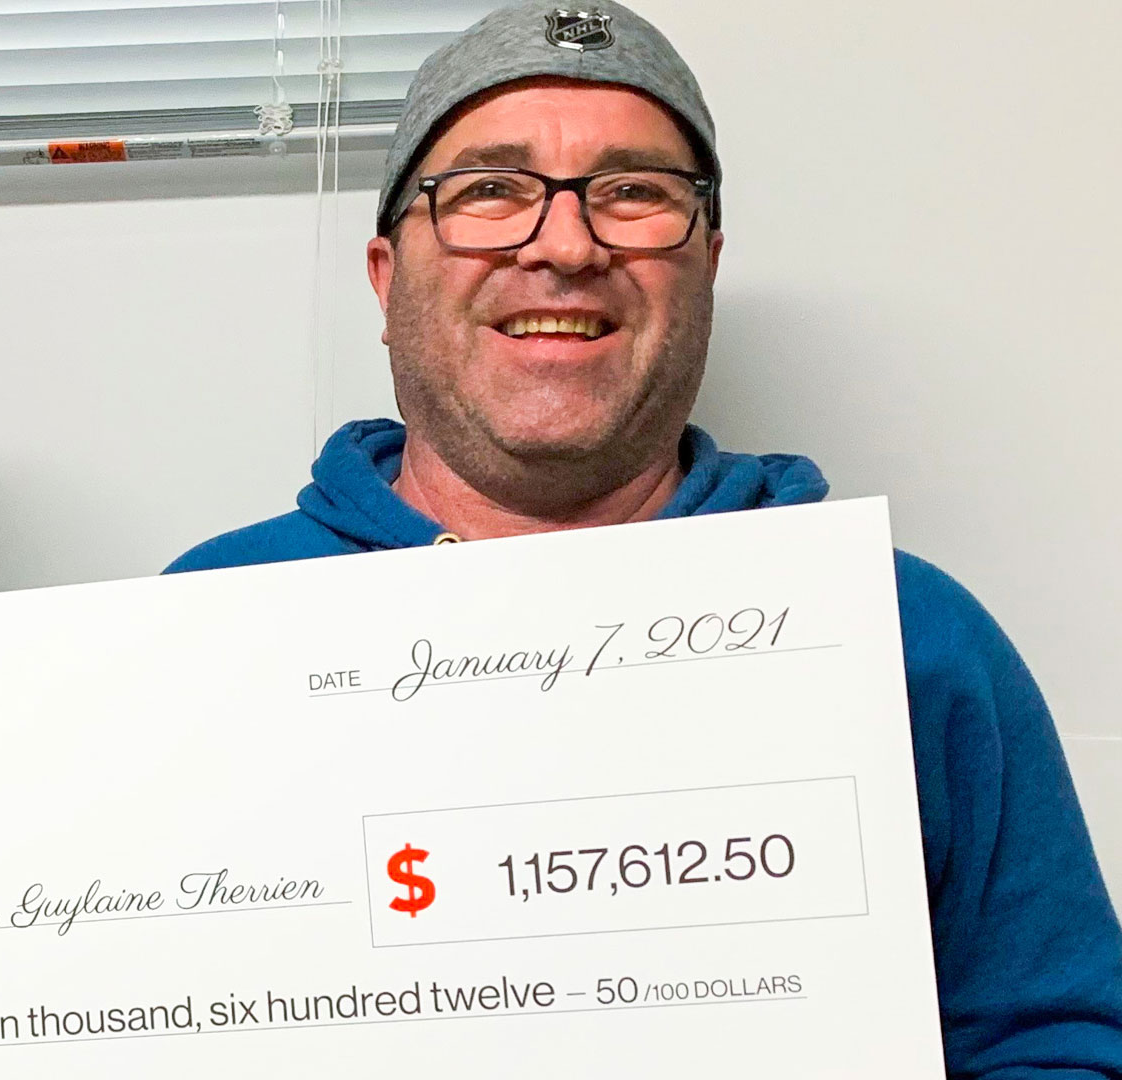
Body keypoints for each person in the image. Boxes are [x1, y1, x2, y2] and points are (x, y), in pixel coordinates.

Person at [167, 2, 1122, 1072]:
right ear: (389, 281)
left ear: (707, 263)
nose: (566, 245)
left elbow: (1055, 1042)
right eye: (490, 190)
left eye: (633, 194)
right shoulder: (198, 626)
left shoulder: (910, 637)